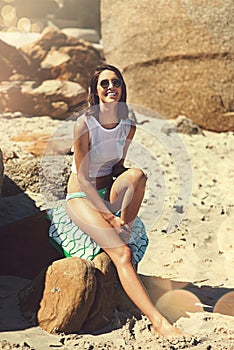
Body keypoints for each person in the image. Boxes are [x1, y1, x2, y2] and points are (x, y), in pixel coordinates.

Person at [65, 64, 187, 338]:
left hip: (107, 190)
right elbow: (84, 179)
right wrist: (106, 215)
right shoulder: (85, 123)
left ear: (122, 88)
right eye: (104, 84)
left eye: (115, 83)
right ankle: (158, 321)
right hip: (81, 196)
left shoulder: (127, 126)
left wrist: (132, 186)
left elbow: (117, 166)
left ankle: (126, 227)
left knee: (139, 174)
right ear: (96, 92)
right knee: (122, 254)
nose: (111, 87)